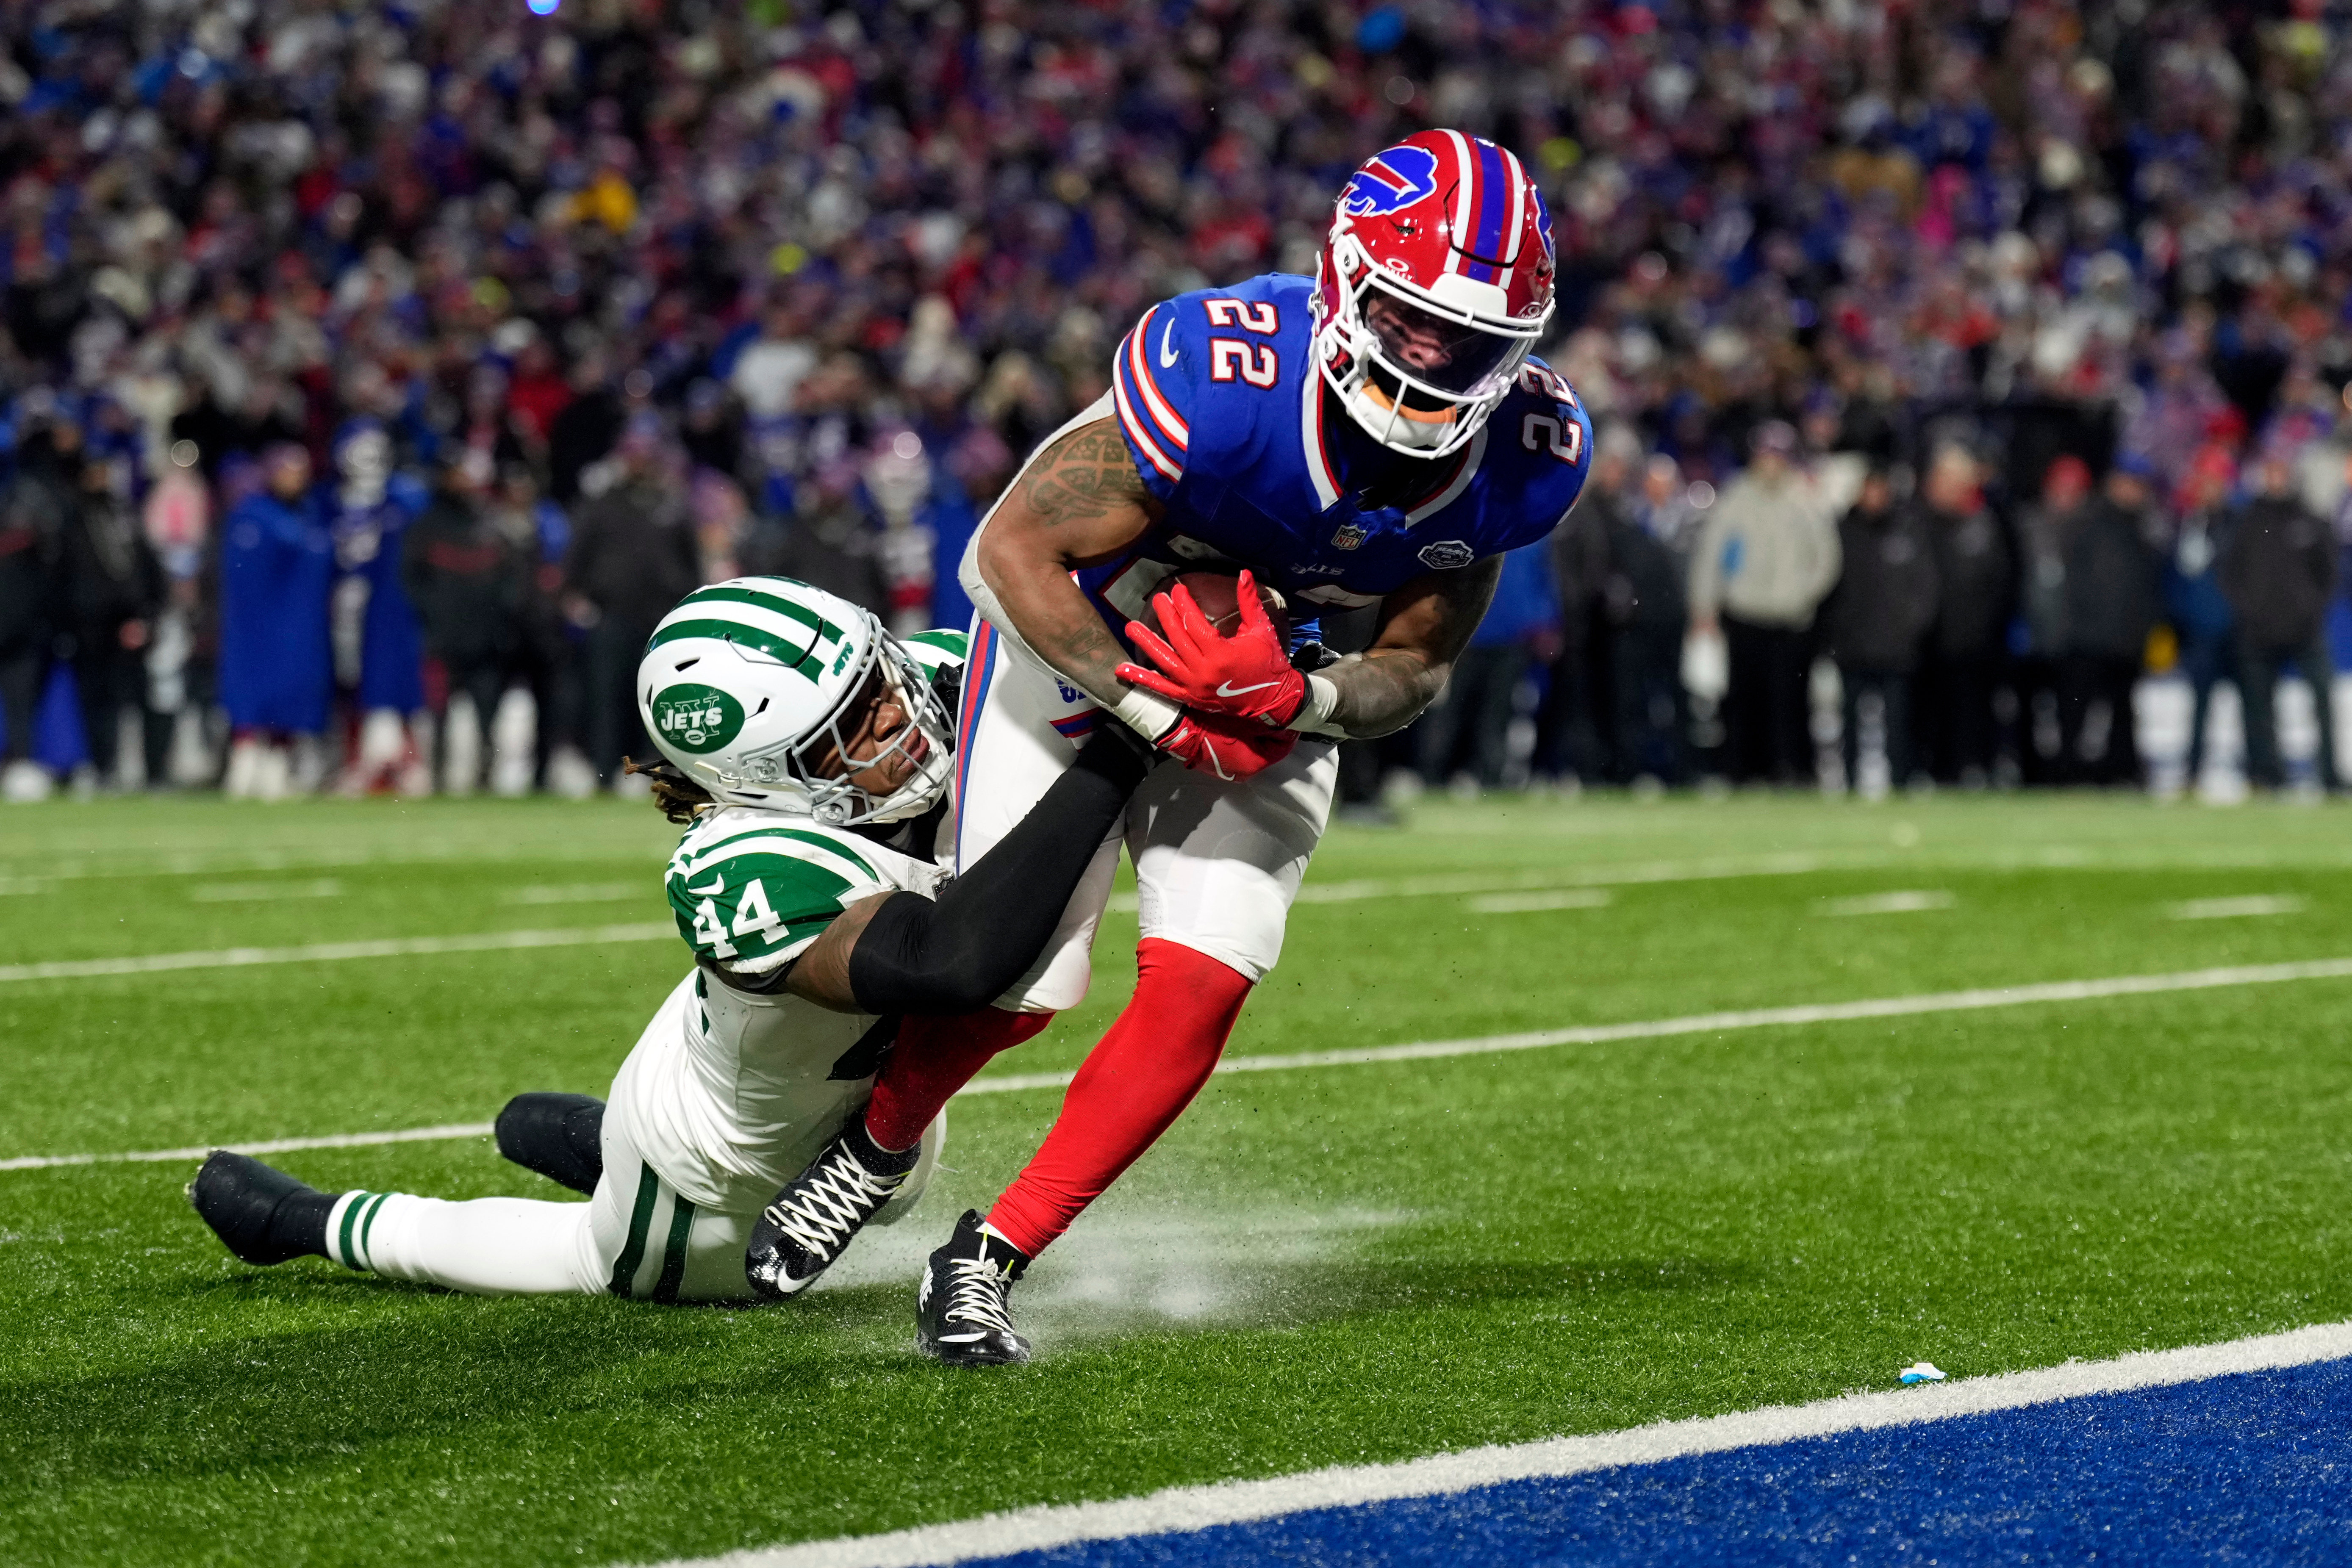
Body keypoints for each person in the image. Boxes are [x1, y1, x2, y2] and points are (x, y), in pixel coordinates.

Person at [758, 132, 1587, 1366]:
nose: (1433, 362)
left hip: (1270, 668)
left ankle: (990, 1256)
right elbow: (1009, 551)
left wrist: (1290, 696)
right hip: (1083, 638)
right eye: (1413, 325)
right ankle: (871, 1150)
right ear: (1344, 280)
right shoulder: (1219, 373)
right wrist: (1156, 708)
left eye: (1469, 346)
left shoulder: (1523, 458)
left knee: (1209, 972)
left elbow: (1412, 667)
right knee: (1017, 974)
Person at [186, 579, 1155, 1302]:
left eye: (880, 684)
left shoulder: (924, 684)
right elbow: (955, 961)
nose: (900, 722)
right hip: (726, 1190)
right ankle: (311, 1223)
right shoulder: (743, 861)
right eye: (849, 731)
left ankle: (597, 1139)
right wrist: (1122, 741)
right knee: (584, 1257)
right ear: (764, 777)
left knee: (666, 1083)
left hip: (861, 1118)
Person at [1687, 421, 1842, 784]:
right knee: (1744, 701)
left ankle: (1792, 771)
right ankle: (1743, 772)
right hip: (1745, 614)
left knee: (1791, 702)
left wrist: (1805, 595)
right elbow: (1711, 556)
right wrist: (1704, 605)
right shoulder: (1735, 498)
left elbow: (1827, 557)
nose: (1770, 462)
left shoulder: (1806, 499)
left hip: (1791, 618)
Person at [563, 426, 702, 786]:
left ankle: (649, 775)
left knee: (659, 702)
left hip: (662, 620)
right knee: (607, 698)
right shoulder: (603, 503)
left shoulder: (672, 504)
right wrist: (576, 596)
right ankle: (603, 773)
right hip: (612, 616)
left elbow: (692, 563)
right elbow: (576, 559)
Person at [402, 450, 533, 792]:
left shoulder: (489, 523)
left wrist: (501, 621)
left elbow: (511, 579)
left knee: (487, 717)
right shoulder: (426, 527)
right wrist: (436, 618)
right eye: (458, 473)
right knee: (440, 715)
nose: (465, 481)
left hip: (486, 642)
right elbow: (411, 580)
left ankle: (485, 778)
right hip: (443, 641)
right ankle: (439, 778)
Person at [216, 444, 335, 801]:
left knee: (292, 699)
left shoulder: (308, 517)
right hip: (260, 629)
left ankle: (276, 771)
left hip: (299, 629)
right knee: (253, 699)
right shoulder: (254, 517)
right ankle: (244, 769)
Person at [2221, 449, 2341, 793]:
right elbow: (2230, 575)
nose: (2276, 479)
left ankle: (2330, 774)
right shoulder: (2247, 521)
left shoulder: (2309, 518)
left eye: (2281, 472)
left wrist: (2310, 611)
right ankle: (2267, 774)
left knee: (2322, 702)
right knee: (2258, 708)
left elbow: (2329, 574)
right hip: (2258, 631)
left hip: (2306, 630)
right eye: (2270, 472)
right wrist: (2250, 611)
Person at [1822, 465, 1938, 795]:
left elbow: (1924, 587)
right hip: (1852, 645)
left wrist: (1911, 629)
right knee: (1850, 722)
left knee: (1899, 723)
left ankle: (1900, 782)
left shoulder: (1908, 530)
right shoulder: (1842, 531)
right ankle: (1850, 783)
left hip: (1896, 647)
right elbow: (1828, 586)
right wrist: (1835, 633)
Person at [1414, 540, 1560, 792]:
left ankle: (1490, 775)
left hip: (1511, 638)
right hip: (1466, 637)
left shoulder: (1530, 533)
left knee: (1496, 711)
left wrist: (1547, 622)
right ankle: (1432, 774)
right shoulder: (1483, 524)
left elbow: (1542, 580)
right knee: (1450, 708)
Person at [58, 450, 164, 789]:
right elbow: (69, 577)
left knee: (141, 699)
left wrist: (145, 616)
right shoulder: (72, 518)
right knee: (95, 700)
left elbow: (147, 569)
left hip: (129, 622)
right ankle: (100, 767)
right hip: (88, 625)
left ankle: (151, 772)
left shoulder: (124, 515)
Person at [2060, 459, 2163, 788]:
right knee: (2079, 713)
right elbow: (2075, 582)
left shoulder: (2145, 527)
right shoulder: (2089, 521)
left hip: (2127, 639)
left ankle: (2121, 774)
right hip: (2089, 638)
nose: (2133, 491)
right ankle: (2069, 775)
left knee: (2122, 714)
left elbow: (2148, 587)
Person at [1918, 442, 2013, 786]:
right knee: (1931, 715)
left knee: (1973, 713)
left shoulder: (1984, 524)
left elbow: (2000, 583)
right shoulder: (1916, 523)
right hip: (1925, 641)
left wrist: (1987, 628)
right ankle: (1933, 771)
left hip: (1974, 642)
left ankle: (1973, 770)